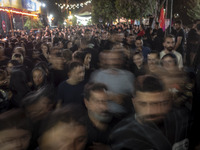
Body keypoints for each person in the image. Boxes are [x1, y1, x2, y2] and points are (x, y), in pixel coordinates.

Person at [110, 75, 192, 150]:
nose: (150, 111)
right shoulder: (121, 134)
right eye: (143, 104)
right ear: (134, 103)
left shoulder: (184, 118)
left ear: (168, 101)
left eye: (158, 103)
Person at [84, 82, 120, 150]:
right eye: (97, 101)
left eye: (105, 101)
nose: (103, 107)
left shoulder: (118, 122)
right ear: (87, 103)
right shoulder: (79, 127)